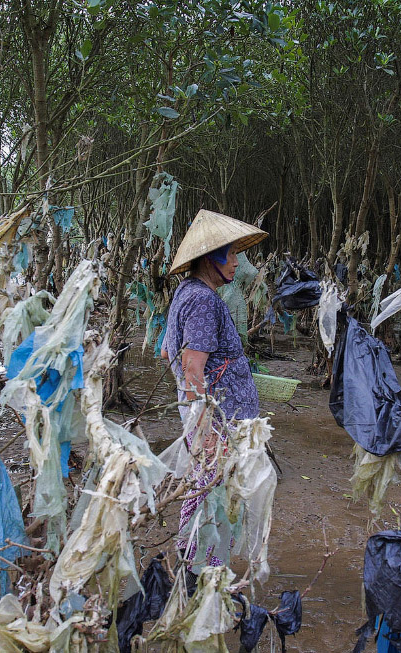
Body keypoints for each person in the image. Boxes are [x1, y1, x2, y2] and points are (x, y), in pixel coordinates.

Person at [160, 208, 267, 568]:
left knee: (204, 490)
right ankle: (200, 575)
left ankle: (193, 565)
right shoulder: (203, 301)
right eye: (232, 253)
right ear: (211, 258)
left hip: (211, 420)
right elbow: (191, 367)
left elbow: (167, 352)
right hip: (216, 426)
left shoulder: (186, 294)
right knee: (212, 494)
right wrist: (206, 428)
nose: (238, 262)